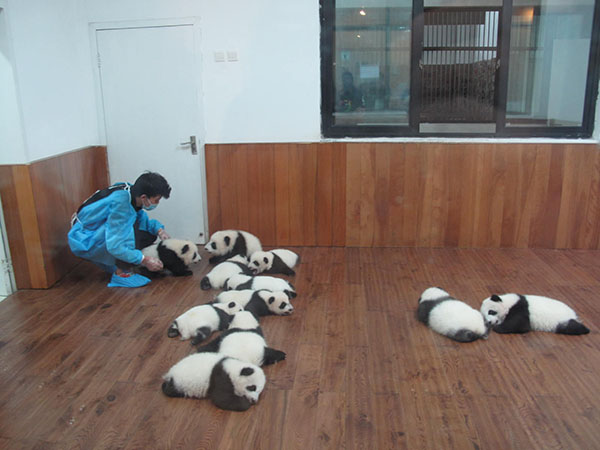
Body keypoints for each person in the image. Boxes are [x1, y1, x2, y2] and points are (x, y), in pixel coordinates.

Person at [68, 171, 172, 288]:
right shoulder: (121, 206)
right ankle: (122, 273)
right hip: (84, 238)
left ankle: (119, 263)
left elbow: (141, 219)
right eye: (156, 200)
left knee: (147, 233)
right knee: (127, 236)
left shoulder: (131, 193)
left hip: (93, 228)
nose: (157, 203)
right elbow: (115, 245)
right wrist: (143, 259)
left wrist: (159, 230)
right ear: (144, 197)